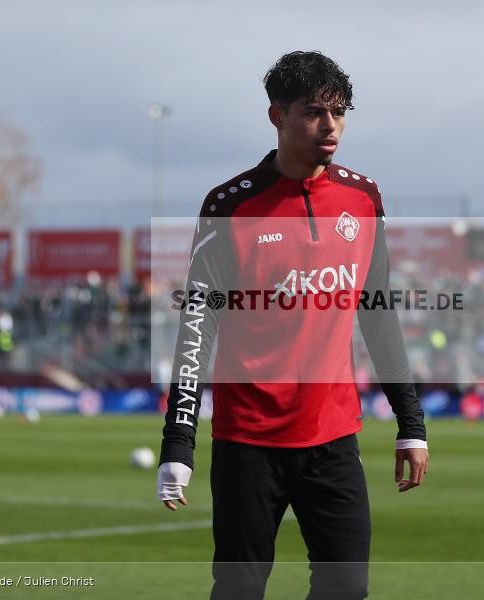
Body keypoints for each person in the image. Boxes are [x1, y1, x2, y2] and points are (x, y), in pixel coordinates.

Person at [156, 51, 429, 600]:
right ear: (276, 116)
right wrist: (179, 443)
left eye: (340, 112)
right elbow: (196, 329)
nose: (330, 126)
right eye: (312, 112)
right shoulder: (229, 206)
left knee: (347, 587)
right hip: (247, 443)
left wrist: (411, 422)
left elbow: (376, 313)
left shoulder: (364, 198)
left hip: (333, 439)